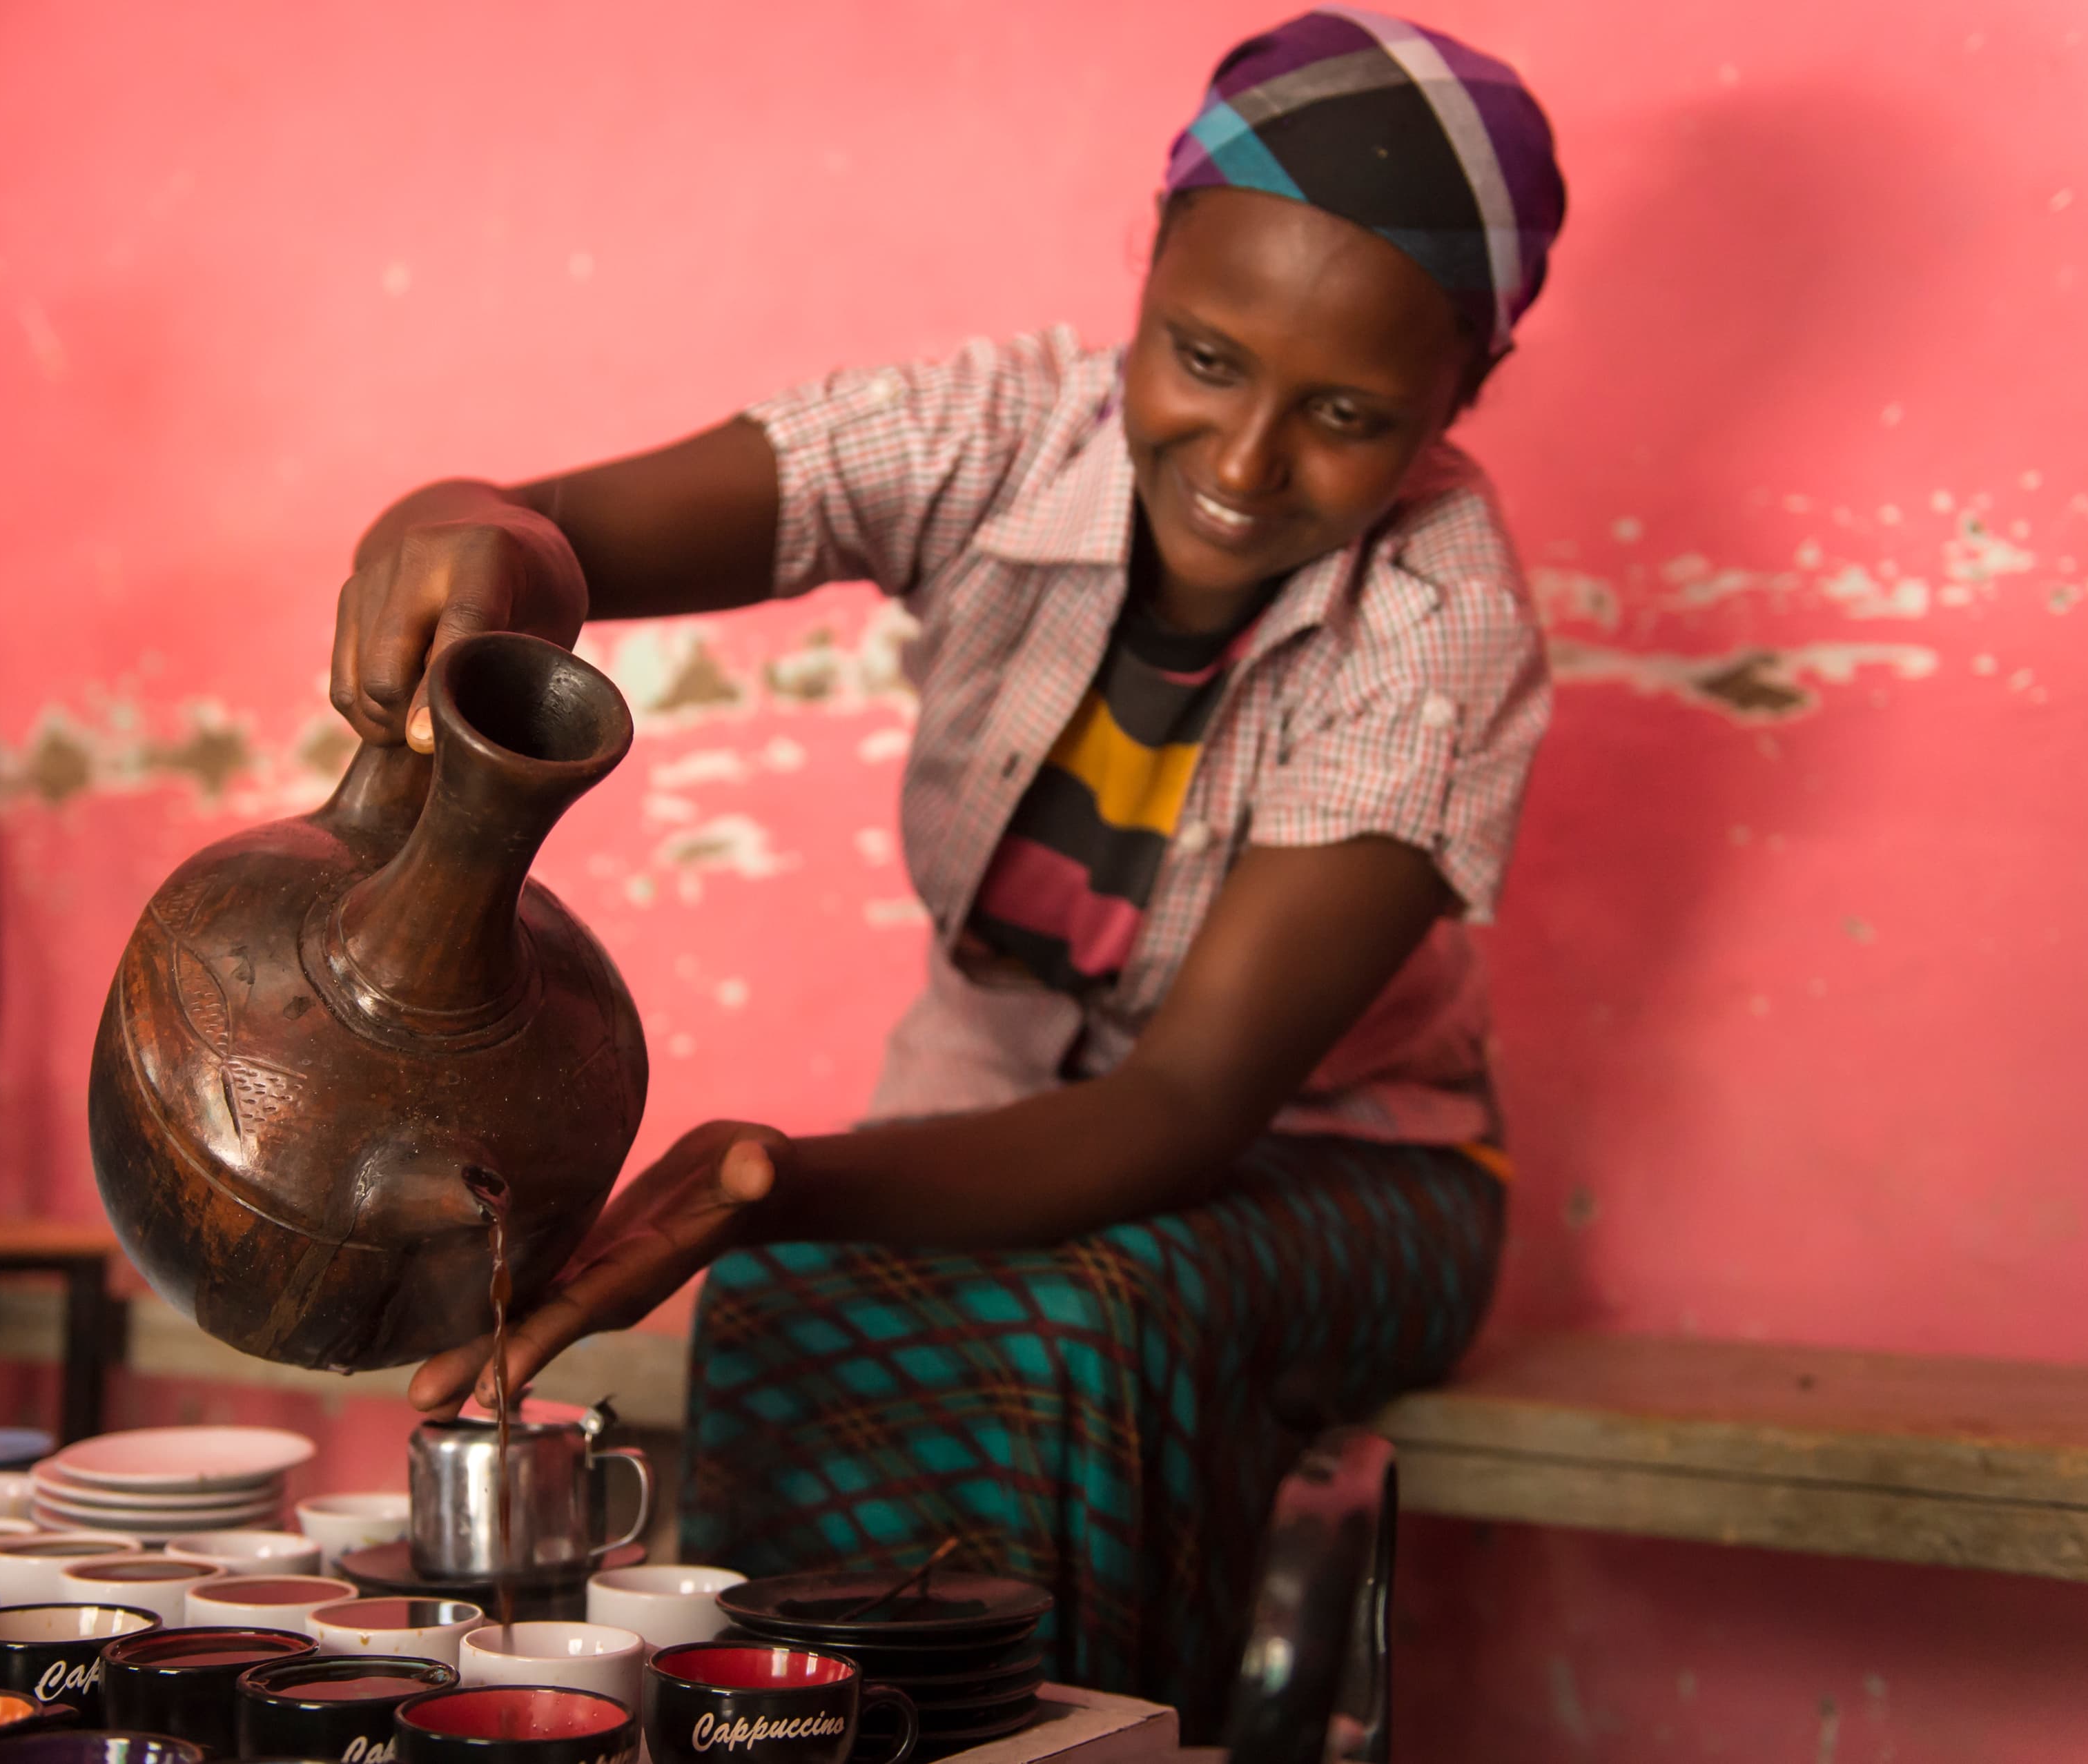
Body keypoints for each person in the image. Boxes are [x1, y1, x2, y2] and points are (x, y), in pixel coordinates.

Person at [331, 11, 1565, 1730]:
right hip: (991, 1108)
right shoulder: (998, 432)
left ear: (1463, 394)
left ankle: (1085, 1742)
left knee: (1087, 1304)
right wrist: (473, 523)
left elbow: (1185, 1113)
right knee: (782, 1290)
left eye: (1344, 414)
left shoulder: (1439, 632)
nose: (1243, 460)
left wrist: (780, 1176)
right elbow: (560, 532)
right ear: (1145, 276)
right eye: (1201, 359)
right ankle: (780, 1727)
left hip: (1358, 1176)